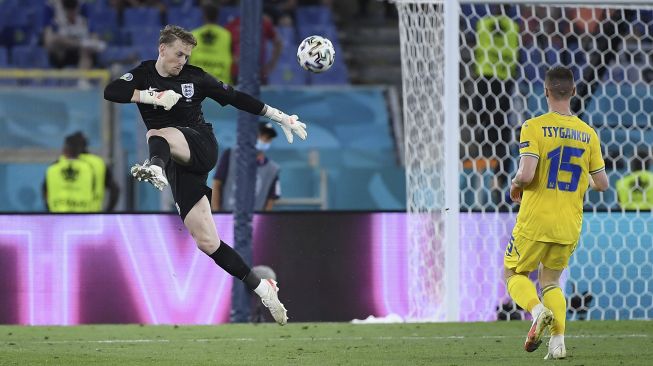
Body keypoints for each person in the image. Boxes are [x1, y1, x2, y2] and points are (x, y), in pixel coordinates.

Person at [103, 24, 307, 325]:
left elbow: (237, 98)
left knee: (157, 132)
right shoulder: (145, 74)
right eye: (178, 54)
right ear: (162, 49)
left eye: (186, 56)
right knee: (207, 242)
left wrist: (278, 116)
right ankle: (262, 287)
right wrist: (151, 96)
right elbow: (112, 91)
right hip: (177, 162)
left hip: (200, 145)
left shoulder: (195, 78)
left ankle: (154, 167)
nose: (182, 61)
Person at [505, 66, 608, 359]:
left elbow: (526, 175)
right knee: (551, 281)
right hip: (568, 223)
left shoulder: (533, 126)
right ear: (573, 92)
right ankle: (558, 343)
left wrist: (515, 185)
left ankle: (537, 311)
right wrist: (580, 177)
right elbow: (602, 183)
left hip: (535, 219)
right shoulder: (588, 134)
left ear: (546, 91)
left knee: (513, 272)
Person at [472, 5, 519, 205]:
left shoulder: (484, 24)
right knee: (498, 130)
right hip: (500, 79)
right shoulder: (511, 26)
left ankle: (496, 184)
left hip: (491, 79)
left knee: (492, 125)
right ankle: (495, 183)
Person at [212, 122, 280, 212]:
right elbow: (216, 184)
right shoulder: (230, 155)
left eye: (268, 138)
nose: (264, 140)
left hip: (255, 221)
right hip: (227, 217)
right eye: (261, 135)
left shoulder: (273, 169)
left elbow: (271, 200)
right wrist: (217, 214)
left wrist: (263, 221)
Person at [43, 0, 106, 71]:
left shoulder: (83, 14)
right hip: (62, 53)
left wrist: (94, 43)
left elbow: (94, 35)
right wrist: (76, 43)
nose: (71, 14)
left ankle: (82, 80)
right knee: (55, 43)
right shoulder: (55, 14)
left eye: (73, 11)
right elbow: (48, 41)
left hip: (80, 51)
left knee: (86, 51)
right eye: (69, 12)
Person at [43, 133, 96, 212]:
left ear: (64, 149)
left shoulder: (52, 169)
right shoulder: (89, 169)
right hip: (83, 218)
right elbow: (93, 192)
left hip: (58, 218)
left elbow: (45, 194)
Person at [69, 131, 121, 212]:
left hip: (63, 216)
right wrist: (108, 211)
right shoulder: (98, 163)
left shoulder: (61, 163)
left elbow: (46, 191)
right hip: (93, 216)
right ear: (86, 144)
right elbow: (115, 190)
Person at [225, 14, 282, 85]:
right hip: (236, 73)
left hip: (259, 73)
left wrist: (272, 63)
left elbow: (278, 43)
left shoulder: (263, 23)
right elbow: (224, 46)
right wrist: (233, 58)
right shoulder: (233, 24)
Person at [189, 3, 233, 84]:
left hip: (198, 82)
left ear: (203, 16)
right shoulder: (226, 35)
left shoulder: (194, 34)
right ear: (217, 16)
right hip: (221, 83)